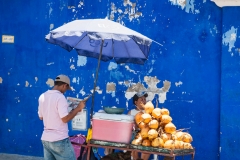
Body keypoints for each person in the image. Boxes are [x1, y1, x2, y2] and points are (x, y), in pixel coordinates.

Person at [38, 74, 86, 160]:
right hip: (59, 139)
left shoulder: (42, 96)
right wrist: (78, 108)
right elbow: (65, 119)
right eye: (66, 89)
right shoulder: (60, 97)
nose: (65, 91)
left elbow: (41, 117)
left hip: (46, 139)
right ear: (64, 85)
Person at [128, 91, 151, 160]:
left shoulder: (148, 112)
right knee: (134, 145)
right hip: (134, 135)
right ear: (136, 102)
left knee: (147, 146)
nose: (144, 101)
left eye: (144, 99)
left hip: (145, 135)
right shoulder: (131, 112)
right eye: (141, 99)